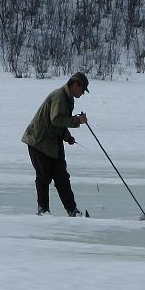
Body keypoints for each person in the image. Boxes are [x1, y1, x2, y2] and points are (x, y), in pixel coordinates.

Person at [21, 72, 90, 216]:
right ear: (76, 84)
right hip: (39, 141)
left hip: (53, 142)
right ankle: (43, 210)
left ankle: (72, 210)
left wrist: (67, 136)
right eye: (82, 90)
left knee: (62, 177)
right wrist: (77, 121)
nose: (82, 93)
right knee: (44, 176)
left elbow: (60, 123)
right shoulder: (59, 96)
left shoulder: (68, 98)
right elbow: (56, 119)